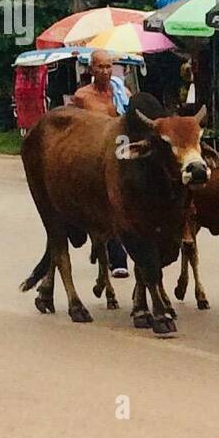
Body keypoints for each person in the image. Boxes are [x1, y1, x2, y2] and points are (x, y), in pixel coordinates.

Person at [72, 50, 131, 277]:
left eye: (108, 67)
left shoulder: (122, 93)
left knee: (117, 204)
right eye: (100, 67)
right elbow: (76, 128)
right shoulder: (82, 97)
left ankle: (118, 258)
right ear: (91, 69)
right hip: (92, 158)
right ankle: (103, 247)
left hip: (117, 156)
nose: (105, 71)